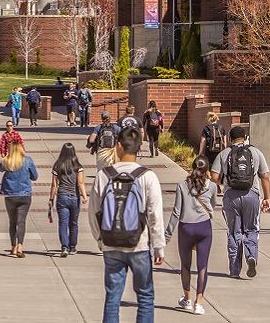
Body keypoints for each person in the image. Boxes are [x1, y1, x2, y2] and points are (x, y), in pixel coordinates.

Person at [89, 127, 165, 323]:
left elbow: (94, 211)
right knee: (145, 296)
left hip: (111, 243)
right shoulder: (148, 176)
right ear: (139, 148)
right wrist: (158, 247)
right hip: (139, 244)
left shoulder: (104, 175)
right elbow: (154, 214)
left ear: (119, 145)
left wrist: (100, 239)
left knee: (112, 297)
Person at [210, 126, 270, 278]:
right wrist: (267, 198)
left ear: (230, 139)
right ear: (245, 137)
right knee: (251, 229)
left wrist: (226, 183)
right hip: (252, 195)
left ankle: (234, 269)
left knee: (233, 232)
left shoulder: (224, 154)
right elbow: (265, 176)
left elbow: (213, 176)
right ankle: (251, 256)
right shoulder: (255, 152)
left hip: (231, 197)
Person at [165, 156, 218, 316]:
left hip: (186, 227)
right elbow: (213, 205)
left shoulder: (182, 185)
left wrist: (168, 233)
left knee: (185, 264)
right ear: (207, 169)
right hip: (204, 227)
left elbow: (176, 211)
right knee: (202, 266)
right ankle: (198, 302)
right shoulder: (212, 186)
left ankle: (187, 299)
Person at [0, 140, 38, 258]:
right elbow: (35, 176)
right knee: (21, 221)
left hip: (10, 195)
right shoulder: (28, 161)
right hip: (24, 195)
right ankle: (20, 245)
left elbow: (0, 168)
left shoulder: (7, 161)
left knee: (12, 222)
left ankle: (13, 247)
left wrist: (6, 156)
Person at [49, 143, 89, 257]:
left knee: (63, 223)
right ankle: (72, 247)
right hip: (74, 197)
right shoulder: (78, 166)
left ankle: (64, 247)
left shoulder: (57, 166)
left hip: (62, 196)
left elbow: (54, 185)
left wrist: (51, 198)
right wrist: (84, 195)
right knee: (74, 223)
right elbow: (80, 182)